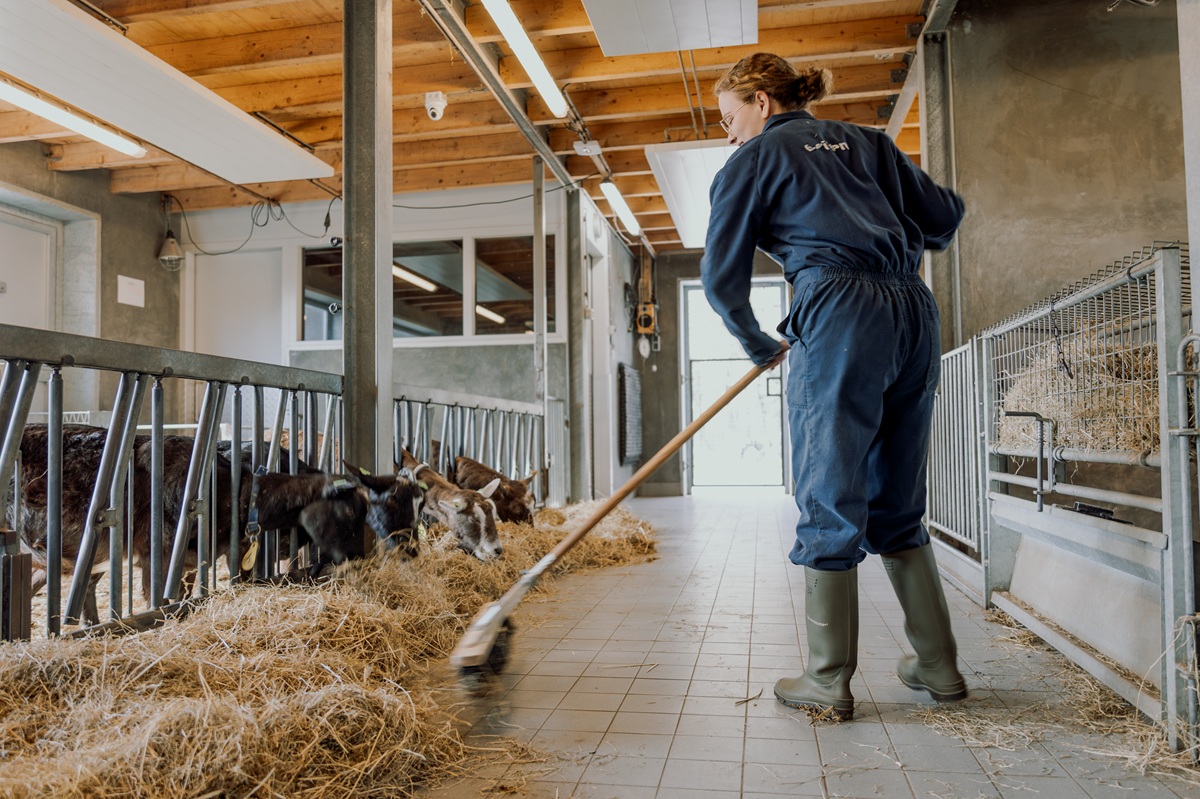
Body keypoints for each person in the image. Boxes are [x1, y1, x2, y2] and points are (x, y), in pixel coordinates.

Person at [701, 52, 968, 721]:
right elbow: (942, 217)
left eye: (731, 119)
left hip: (839, 307)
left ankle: (827, 677)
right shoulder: (872, 143)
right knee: (897, 495)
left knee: (829, 486)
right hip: (913, 307)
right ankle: (938, 665)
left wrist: (760, 342)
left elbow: (720, 280)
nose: (729, 135)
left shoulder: (752, 161)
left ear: (762, 102)